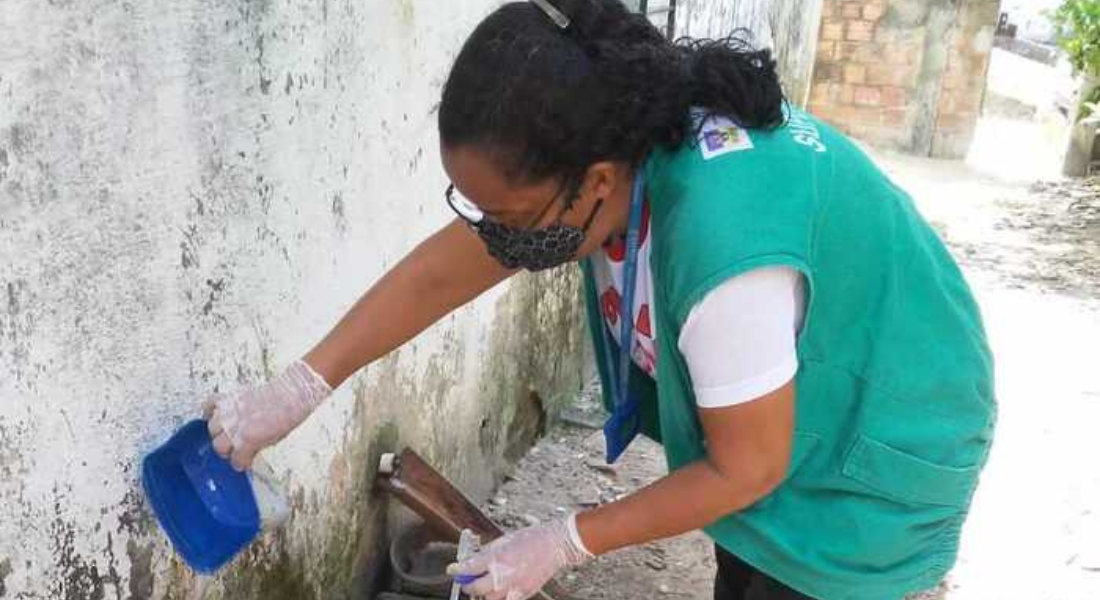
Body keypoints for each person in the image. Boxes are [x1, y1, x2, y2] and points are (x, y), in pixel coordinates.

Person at [203, 1, 997, 599]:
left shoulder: (725, 244)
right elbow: (441, 273)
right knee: (750, 566)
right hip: (790, 419)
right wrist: (300, 385)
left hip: (882, 444)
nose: (495, 238)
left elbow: (749, 465)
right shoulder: (620, 144)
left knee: (795, 575)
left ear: (599, 182)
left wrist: (565, 539)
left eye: (511, 218)